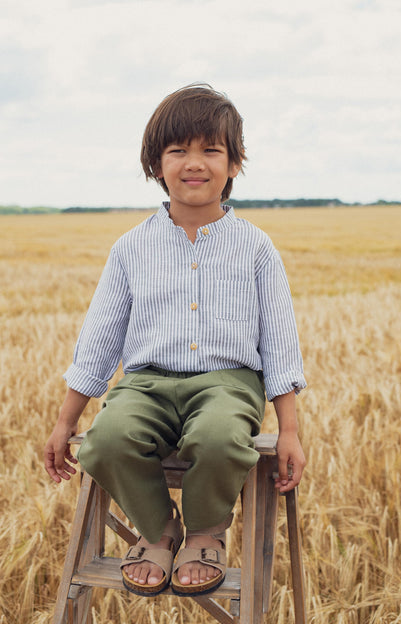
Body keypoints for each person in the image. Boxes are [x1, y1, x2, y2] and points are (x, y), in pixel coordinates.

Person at [44, 84, 307, 598]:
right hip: (145, 382)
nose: (195, 163)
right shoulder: (130, 249)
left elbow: (279, 341)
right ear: (155, 165)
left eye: (211, 150)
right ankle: (160, 530)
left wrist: (290, 429)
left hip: (229, 384)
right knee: (108, 439)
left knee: (217, 437)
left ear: (234, 165)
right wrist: (65, 422)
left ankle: (207, 531)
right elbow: (99, 339)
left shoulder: (255, 247)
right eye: (178, 150)